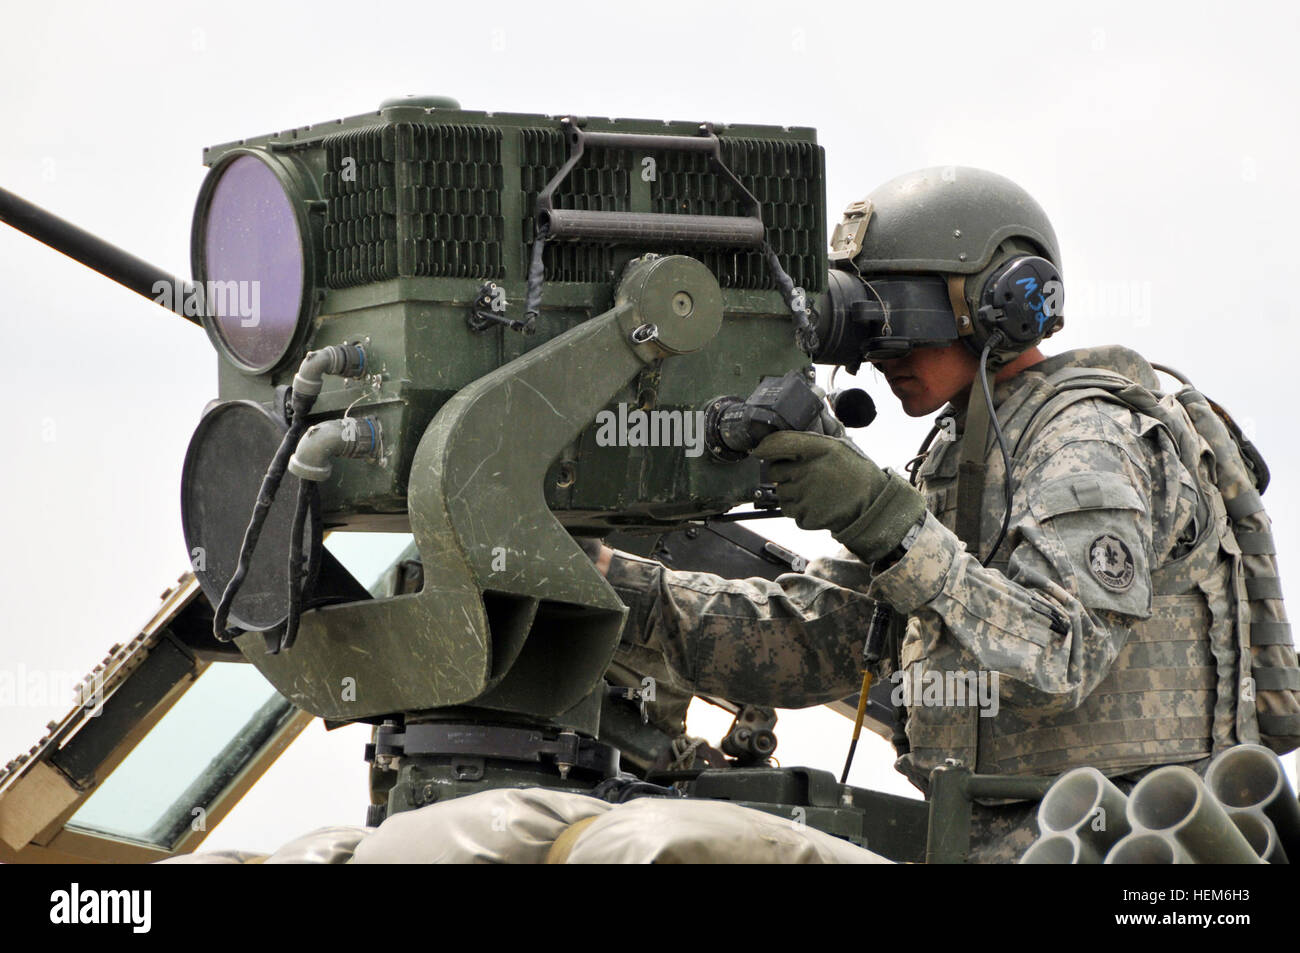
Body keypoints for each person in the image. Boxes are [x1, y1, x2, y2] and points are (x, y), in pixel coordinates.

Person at [586, 166, 1264, 863]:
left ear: (999, 302)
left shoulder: (1086, 436)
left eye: (900, 313)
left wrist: (886, 520)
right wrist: (610, 588)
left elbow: (1061, 656)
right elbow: (824, 640)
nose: (882, 350)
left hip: (1125, 849)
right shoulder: (962, 452)